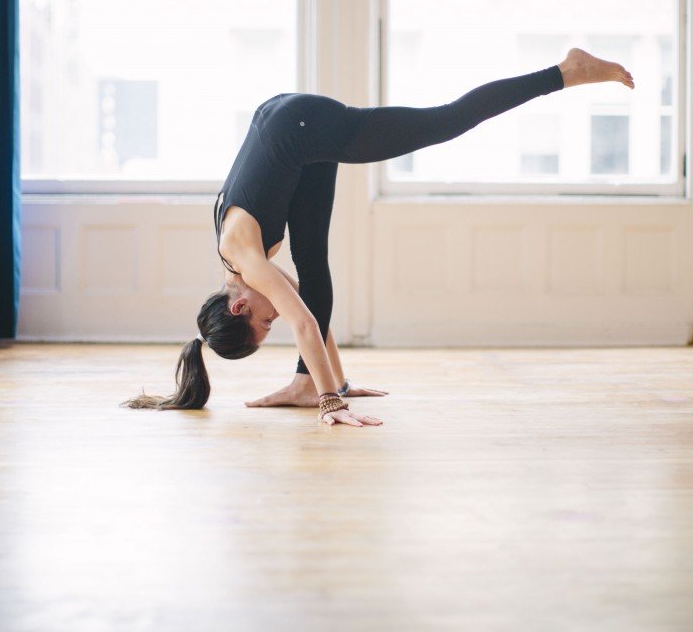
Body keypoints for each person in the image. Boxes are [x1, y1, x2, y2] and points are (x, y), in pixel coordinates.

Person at [123, 48, 634, 426]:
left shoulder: (246, 258)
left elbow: (301, 320)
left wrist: (332, 406)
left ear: (237, 307)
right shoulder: (238, 264)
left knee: (446, 122)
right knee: (313, 267)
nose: (272, 315)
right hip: (289, 130)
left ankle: (566, 72)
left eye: (262, 321)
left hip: (301, 126)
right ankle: (309, 383)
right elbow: (305, 302)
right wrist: (333, 381)